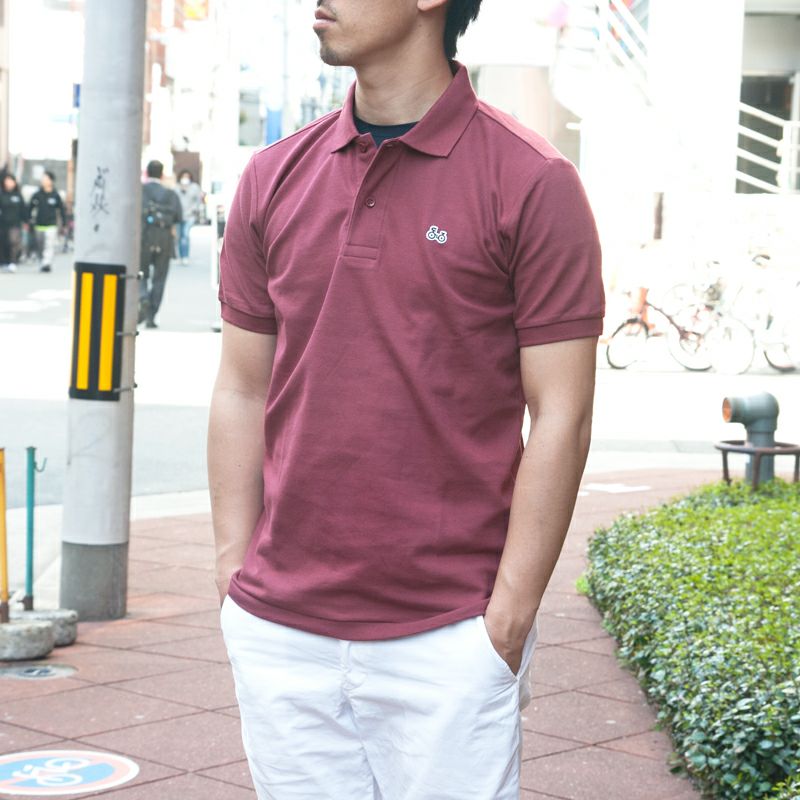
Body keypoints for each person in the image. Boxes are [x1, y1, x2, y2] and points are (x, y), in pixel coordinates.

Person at [208, 1, 605, 797]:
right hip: (281, 633)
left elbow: (562, 415)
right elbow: (242, 387)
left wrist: (507, 618)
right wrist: (233, 574)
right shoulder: (273, 175)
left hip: (449, 637)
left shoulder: (532, 182)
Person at [139, 160, 182, 329]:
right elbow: (179, 216)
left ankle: (143, 297)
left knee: (141, 272)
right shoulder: (170, 194)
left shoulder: (140, 190)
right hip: (164, 238)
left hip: (144, 236)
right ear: (162, 175)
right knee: (160, 278)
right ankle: (151, 316)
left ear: (147, 173)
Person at [28, 171, 66, 273]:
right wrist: (29, 219)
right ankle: (42, 261)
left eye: (46, 178)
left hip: (51, 224)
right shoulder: (37, 195)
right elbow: (30, 208)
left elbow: (61, 210)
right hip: (39, 224)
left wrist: (64, 223)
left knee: (49, 244)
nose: (44, 180)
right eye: (43, 178)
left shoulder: (55, 195)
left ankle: (47, 263)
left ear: (51, 181)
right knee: (40, 246)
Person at [0, 174, 28, 273]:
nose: (9, 183)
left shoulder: (18, 195)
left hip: (15, 224)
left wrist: (26, 221)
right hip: (3, 223)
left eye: (11, 180)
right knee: (4, 242)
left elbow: (23, 209)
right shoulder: (2, 195)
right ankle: (4, 262)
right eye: (7, 181)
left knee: (13, 242)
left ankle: (13, 261)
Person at [175, 169, 203, 265]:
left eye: (187, 177)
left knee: (185, 235)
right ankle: (181, 256)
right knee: (179, 236)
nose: (185, 179)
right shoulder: (176, 187)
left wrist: (194, 210)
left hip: (190, 215)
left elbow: (198, 200)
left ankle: (185, 256)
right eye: (183, 177)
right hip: (178, 215)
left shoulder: (195, 187)